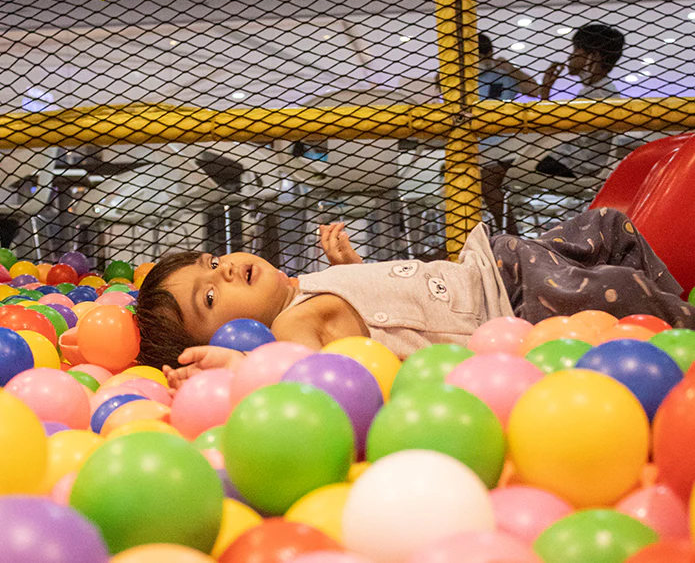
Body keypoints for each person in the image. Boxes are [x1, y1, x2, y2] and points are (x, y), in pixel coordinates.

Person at [134, 211, 695, 390]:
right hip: (511, 305)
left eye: (212, 261)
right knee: (625, 295)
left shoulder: (307, 289)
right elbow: (306, 377)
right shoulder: (289, 329)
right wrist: (240, 367)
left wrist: (351, 269)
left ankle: (675, 299)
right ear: (225, 334)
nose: (226, 268)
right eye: (211, 294)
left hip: (493, 263)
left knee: (608, 226)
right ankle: (682, 322)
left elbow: (380, 313)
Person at [482, 23, 625, 234]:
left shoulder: (598, 95)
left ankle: (513, 239)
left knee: (487, 177)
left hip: (574, 165)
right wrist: (546, 94)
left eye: (576, 51)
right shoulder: (600, 90)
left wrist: (545, 96)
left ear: (592, 57)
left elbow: (554, 130)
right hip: (574, 161)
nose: (570, 57)